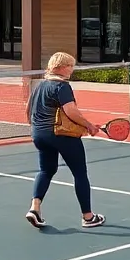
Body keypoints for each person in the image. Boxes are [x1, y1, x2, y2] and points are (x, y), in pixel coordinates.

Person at [24, 51, 105, 229]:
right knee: (80, 173)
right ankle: (88, 217)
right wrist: (89, 126)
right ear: (60, 67)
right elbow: (71, 112)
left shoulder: (39, 85)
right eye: (69, 66)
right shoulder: (62, 87)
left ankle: (35, 208)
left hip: (39, 134)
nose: (71, 69)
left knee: (46, 170)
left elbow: (28, 111)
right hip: (61, 136)